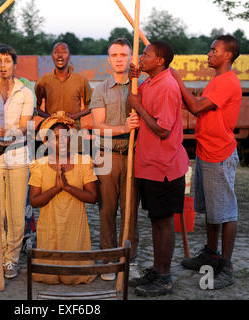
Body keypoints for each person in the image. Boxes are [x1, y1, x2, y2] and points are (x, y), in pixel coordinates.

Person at [170, 35, 242, 289]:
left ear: (228, 56)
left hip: (219, 154)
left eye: (214, 50)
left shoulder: (228, 82)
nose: (209, 53)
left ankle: (227, 265)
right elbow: (200, 106)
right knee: (212, 210)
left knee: (225, 212)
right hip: (205, 151)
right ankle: (211, 254)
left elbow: (197, 107)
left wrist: (176, 78)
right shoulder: (217, 80)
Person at [127, 41, 190, 297]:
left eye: (146, 55)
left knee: (164, 223)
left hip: (164, 166)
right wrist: (135, 81)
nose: (142, 57)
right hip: (149, 166)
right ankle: (157, 268)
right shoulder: (149, 82)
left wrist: (138, 106)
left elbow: (163, 129)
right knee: (156, 220)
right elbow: (135, 99)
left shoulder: (166, 86)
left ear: (160, 61)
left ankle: (164, 277)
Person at [0, 44, 34, 280]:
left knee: (15, 213)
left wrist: (6, 132)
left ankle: (11, 259)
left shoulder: (25, 92)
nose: (2, 65)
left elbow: (24, 126)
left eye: (6, 61)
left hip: (17, 157)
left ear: (14, 64)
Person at [89, 38, 140, 281]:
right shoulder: (100, 89)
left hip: (133, 156)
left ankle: (128, 260)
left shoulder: (141, 86)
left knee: (129, 212)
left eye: (123, 54)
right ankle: (108, 259)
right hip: (106, 156)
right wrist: (124, 127)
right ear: (109, 59)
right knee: (107, 211)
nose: (119, 59)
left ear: (131, 57)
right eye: (115, 55)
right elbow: (97, 127)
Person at [28, 112, 98, 284]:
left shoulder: (83, 162)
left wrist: (67, 187)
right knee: (50, 276)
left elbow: (93, 197)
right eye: (56, 138)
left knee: (73, 275)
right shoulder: (40, 165)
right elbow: (34, 201)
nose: (62, 142)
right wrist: (55, 189)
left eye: (66, 137)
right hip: (49, 225)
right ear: (47, 141)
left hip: (75, 226)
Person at [35, 42, 92, 138]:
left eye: (64, 52)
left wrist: (74, 116)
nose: (60, 55)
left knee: (75, 153)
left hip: (74, 132)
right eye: (56, 52)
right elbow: (34, 107)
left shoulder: (81, 80)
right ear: (52, 56)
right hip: (51, 132)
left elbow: (91, 105)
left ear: (69, 56)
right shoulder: (43, 81)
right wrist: (49, 117)